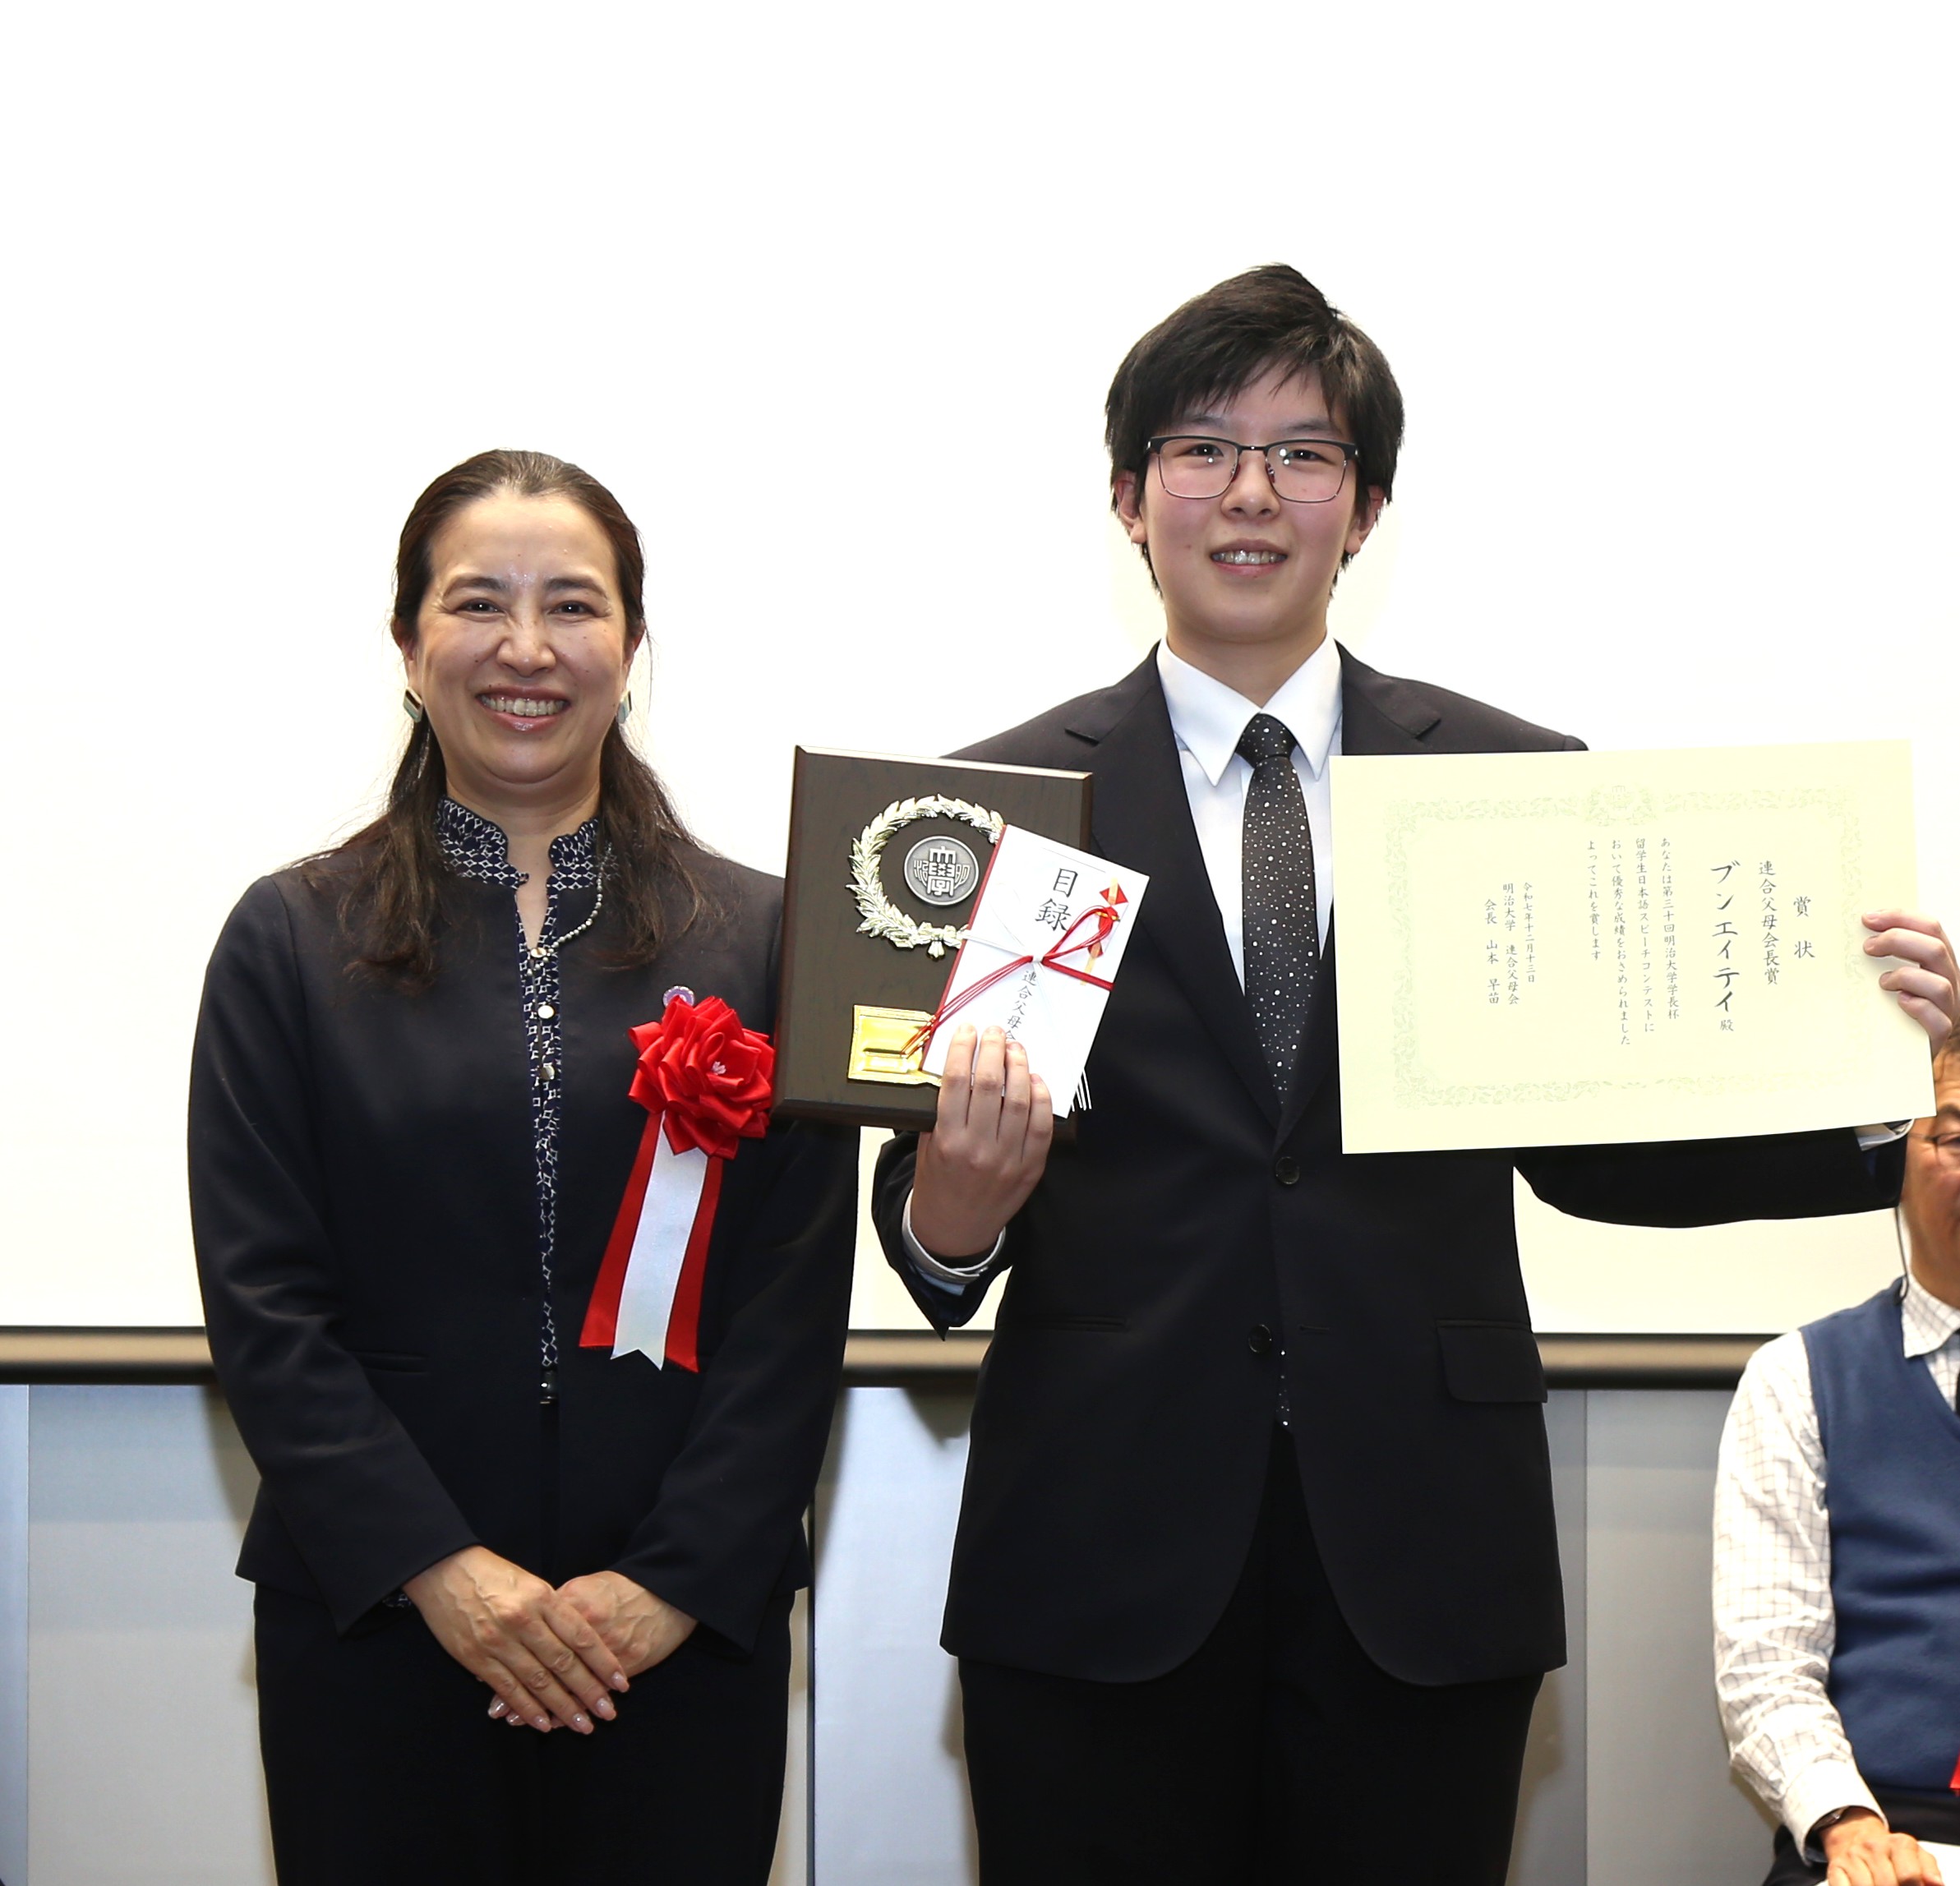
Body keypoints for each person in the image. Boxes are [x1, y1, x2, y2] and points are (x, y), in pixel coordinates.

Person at [869, 265, 1959, 1884]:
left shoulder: (1510, 785)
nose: (1251, 492)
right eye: (1199, 449)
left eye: (1303, 454)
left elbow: (1600, 1154)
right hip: (1097, 1550)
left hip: (1422, 1547)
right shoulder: (1003, 805)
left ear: (1366, 506)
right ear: (1127, 498)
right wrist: (956, 1210)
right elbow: (928, 1222)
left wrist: (1905, 1102)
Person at [189, 450, 855, 1884]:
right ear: (407, 641)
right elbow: (265, 1305)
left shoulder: (767, 937)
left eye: (574, 603)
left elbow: (792, 1305)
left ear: (632, 640)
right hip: (380, 1618)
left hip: (678, 1634)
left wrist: (668, 1583)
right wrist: (446, 1572)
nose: (528, 647)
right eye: (479, 602)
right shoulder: (290, 938)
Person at [1717, 1035, 1960, 1886]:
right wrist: (1847, 1825)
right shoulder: (1797, 1378)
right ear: (1895, 1163)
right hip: (1883, 1817)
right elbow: (1767, 1666)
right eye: (1954, 1138)